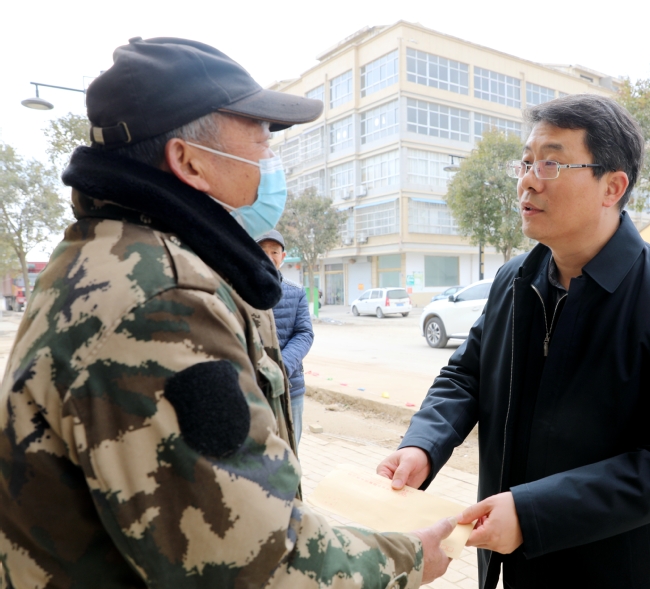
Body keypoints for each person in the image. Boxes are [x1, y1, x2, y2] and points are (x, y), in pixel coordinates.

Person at [0, 37, 454, 588]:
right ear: (188, 160)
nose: (270, 160)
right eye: (260, 139)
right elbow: (250, 562)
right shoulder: (160, 302)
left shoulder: (113, 255)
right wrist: (408, 557)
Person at [378, 94, 650, 589]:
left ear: (612, 187)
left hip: (611, 571)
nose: (528, 180)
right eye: (525, 163)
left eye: (551, 163)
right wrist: (424, 445)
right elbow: (467, 374)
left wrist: (532, 512)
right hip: (507, 561)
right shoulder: (514, 279)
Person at [256, 229, 313, 448]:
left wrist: (281, 368)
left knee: (290, 449)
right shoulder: (238, 290)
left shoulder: (296, 292)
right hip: (253, 386)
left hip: (290, 386)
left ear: (283, 256)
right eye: (262, 250)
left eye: (274, 252)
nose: (269, 256)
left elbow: (304, 333)